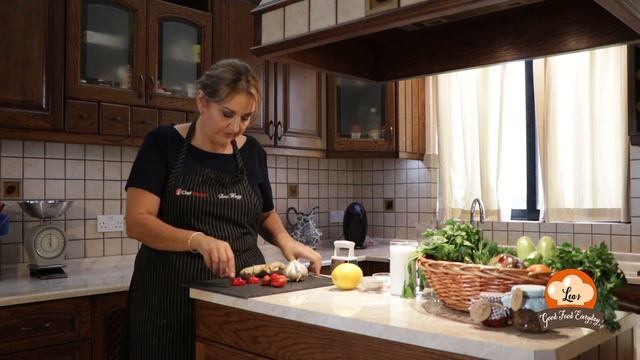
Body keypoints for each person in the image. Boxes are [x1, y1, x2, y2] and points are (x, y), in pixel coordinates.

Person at [122, 59, 322, 360]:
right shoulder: (163, 144)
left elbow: (264, 214)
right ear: (202, 101)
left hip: (241, 295)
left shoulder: (252, 151)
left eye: (245, 117)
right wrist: (198, 240)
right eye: (227, 114)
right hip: (169, 298)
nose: (235, 127)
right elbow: (137, 222)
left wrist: (285, 241)